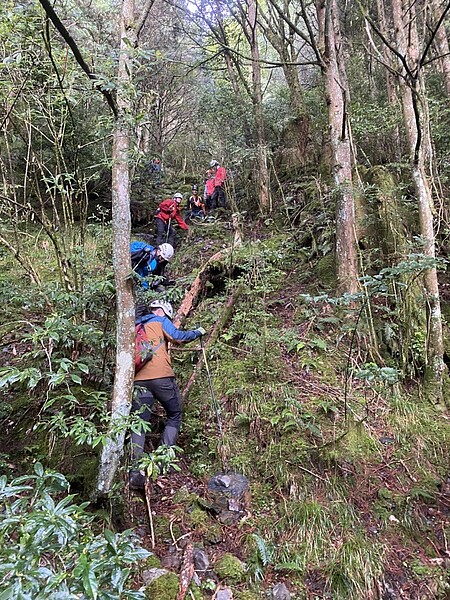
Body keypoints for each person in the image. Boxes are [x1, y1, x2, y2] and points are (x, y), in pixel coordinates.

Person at [129, 300, 206, 488]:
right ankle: (163, 461)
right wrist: (198, 332)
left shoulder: (134, 326)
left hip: (138, 380)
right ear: (162, 312)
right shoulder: (159, 320)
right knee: (175, 414)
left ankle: (136, 471)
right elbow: (177, 336)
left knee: (139, 423)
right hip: (162, 378)